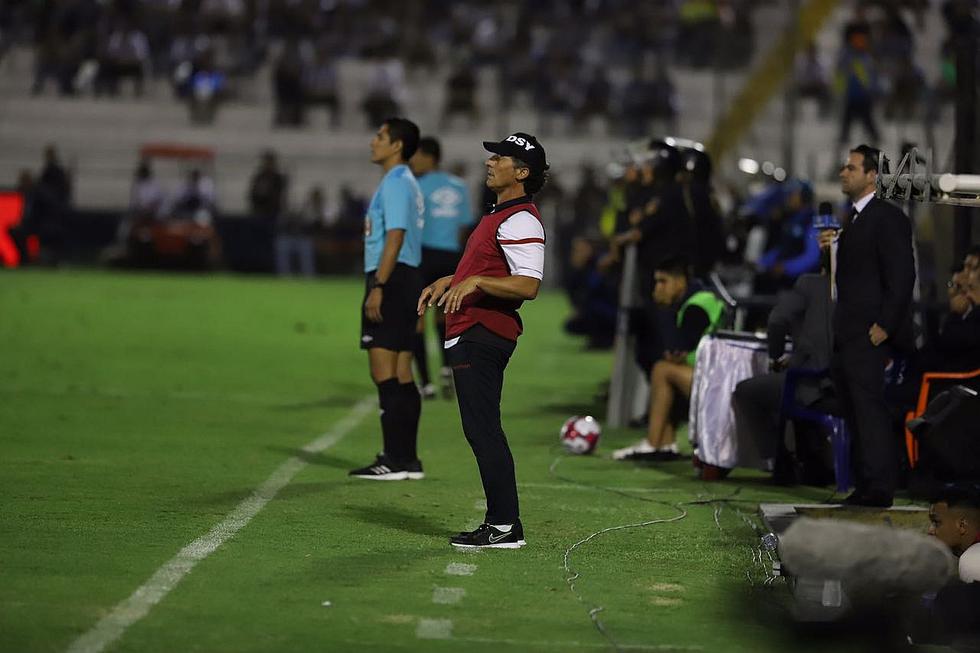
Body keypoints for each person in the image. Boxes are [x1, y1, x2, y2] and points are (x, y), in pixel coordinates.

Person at [417, 132, 549, 549]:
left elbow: (528, 285)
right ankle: (502, 522)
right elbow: (488, 267)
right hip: (472, 330)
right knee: (479, 428)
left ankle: (506, 525)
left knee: (483, 428)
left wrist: (474, 280)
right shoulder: (501, 214)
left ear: (522, 172)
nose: (491, 162)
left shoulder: (522, 218)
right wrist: (451, 279)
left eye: (502, 158)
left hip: (483, 333)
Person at [818, 144, 916, 507]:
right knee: (855, 410)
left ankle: (878, 487)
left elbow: (902, 275)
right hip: (848, 332)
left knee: (870, 411)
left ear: (872, 175)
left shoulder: (887, 218)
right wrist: (828, 251)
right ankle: (864, 484)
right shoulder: (854, 218)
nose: (844, 172)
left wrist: (885, 326)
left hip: (868, 334)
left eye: (851, 167)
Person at [349, 117, 426, 481]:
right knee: (401, 371)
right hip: (406, 277)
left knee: (383, 372)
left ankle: (393, 459)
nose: (371, 142)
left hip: (391, 277)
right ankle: (407, 458)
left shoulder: (396, 182)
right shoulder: (406, 182)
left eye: (379, 136)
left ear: (396, 145)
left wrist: (378, 284)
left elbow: (394, 235)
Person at [613, 257, 725, 461]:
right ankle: (665, 443)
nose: (658, 287)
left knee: (662, 369)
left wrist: (662, 310)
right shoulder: (700, 298)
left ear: (681, 281)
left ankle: (653, 444)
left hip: (718, 390)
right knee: (665, 371)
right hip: (714, 382)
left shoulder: (697, 305)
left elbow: (675, 349)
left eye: (663, 281)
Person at [732, 268, 835, 485]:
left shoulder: (810, 283)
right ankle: (813, 462)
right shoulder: (866, 285)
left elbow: (777, 321)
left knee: (747, 391)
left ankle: (779, 462)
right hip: (856, 384)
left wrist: (775, 356)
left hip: (815, 384)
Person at [409, 136, 474, 399]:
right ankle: (448, 368)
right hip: (452, 259)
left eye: (417, 155)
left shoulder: (416, 186)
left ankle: (425, 383)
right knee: (445, 316)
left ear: (429, 157)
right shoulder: (459, 187)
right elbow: (465, 225)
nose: (413, 161)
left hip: (424, 256)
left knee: (418, 319)